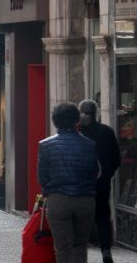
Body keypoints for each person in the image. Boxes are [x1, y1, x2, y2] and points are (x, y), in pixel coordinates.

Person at [38, 102, 99, 263]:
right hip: (85, 199)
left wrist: (48, 191)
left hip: (58, 200)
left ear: (55, 121)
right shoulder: (90, 145)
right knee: (80, 244)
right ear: (76, 121)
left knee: (62, 247)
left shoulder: (46, 145)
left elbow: (42, 176)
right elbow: (94, 172)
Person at [78, 99, 120, 263]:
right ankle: (105, 250)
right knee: (103, 216)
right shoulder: (106, 131)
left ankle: (81, 251)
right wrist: (107, 175)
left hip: (81, 186)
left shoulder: (78, 133)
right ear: (96, 113)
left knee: (81, 217)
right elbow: (116, 159)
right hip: (102, 184)